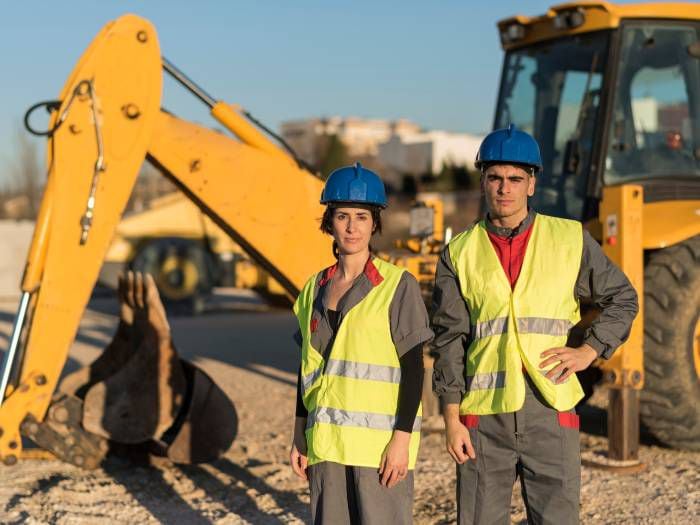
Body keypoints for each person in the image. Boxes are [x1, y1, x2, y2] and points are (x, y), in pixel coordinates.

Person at [431, 124, 639, 525]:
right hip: (482, 416)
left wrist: (588, 350)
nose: (504, 188)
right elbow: (450, 339)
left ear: (531, 184)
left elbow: (623, 298)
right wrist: (452, 418)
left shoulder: (569, 239)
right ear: (483, 183)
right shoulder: (458, 253)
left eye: (514, 179)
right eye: (495, 178)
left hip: (550, 409)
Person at [290, 162, 433, 524]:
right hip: (326, 444)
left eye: (361, 216)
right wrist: (299, 435)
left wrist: (401, 442)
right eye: (342, 216)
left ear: (374, 223)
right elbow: (306, 369)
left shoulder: (398, 285)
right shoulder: (313, 289)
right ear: (329, 222)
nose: (352, 227)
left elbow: (413, 369)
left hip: (378, 448)